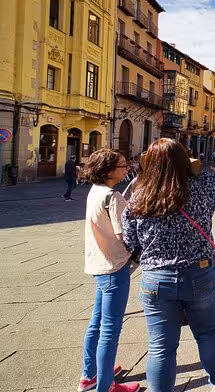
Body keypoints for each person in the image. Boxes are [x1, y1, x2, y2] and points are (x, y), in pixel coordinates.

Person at [123, 137, 215, 392]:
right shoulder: (203, 185)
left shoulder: (138, 196)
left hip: (155, 278)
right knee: (208, 332)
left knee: (161, 347)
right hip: (199, 272)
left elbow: (130, 241)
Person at [78, 149, 139, 392]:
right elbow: (125, 235)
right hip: (114, 266)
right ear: (108, 170)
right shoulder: (114, 197)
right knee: (110, 330)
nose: (126, 169)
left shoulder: (96, 191)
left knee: (97, 323)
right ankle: (105, 386)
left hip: (98, 263)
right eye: (123, 165)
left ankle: (89, 375)